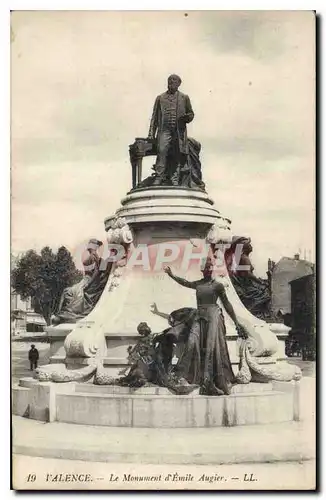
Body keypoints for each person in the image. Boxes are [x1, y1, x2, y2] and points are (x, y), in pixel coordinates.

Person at [164, 259, 248, 396]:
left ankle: (210, 380)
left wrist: (236, 322)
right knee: (191, 342)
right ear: (202, 270)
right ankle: (183, 375)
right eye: (206, 268)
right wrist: (171, 275)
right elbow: (185, 283)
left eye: (210, 267)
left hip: (213, 316)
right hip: (200, 315)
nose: (209, 270)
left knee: (211, 347)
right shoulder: (199, 284)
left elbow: (226, 304)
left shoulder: (218, 286)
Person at [148, 74, 194, 186]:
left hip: (178, 131)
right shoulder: (160, 98)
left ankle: (174, 178)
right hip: (164, 130)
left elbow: (191, 113)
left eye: (174, 81)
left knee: (176, 153)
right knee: (162, 151)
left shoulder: (184, 98)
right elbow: (154, 117)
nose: (171, 82)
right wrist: (151, 134)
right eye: (169, 80)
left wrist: (187, 117)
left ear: (179, 84)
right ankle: (159, 177)